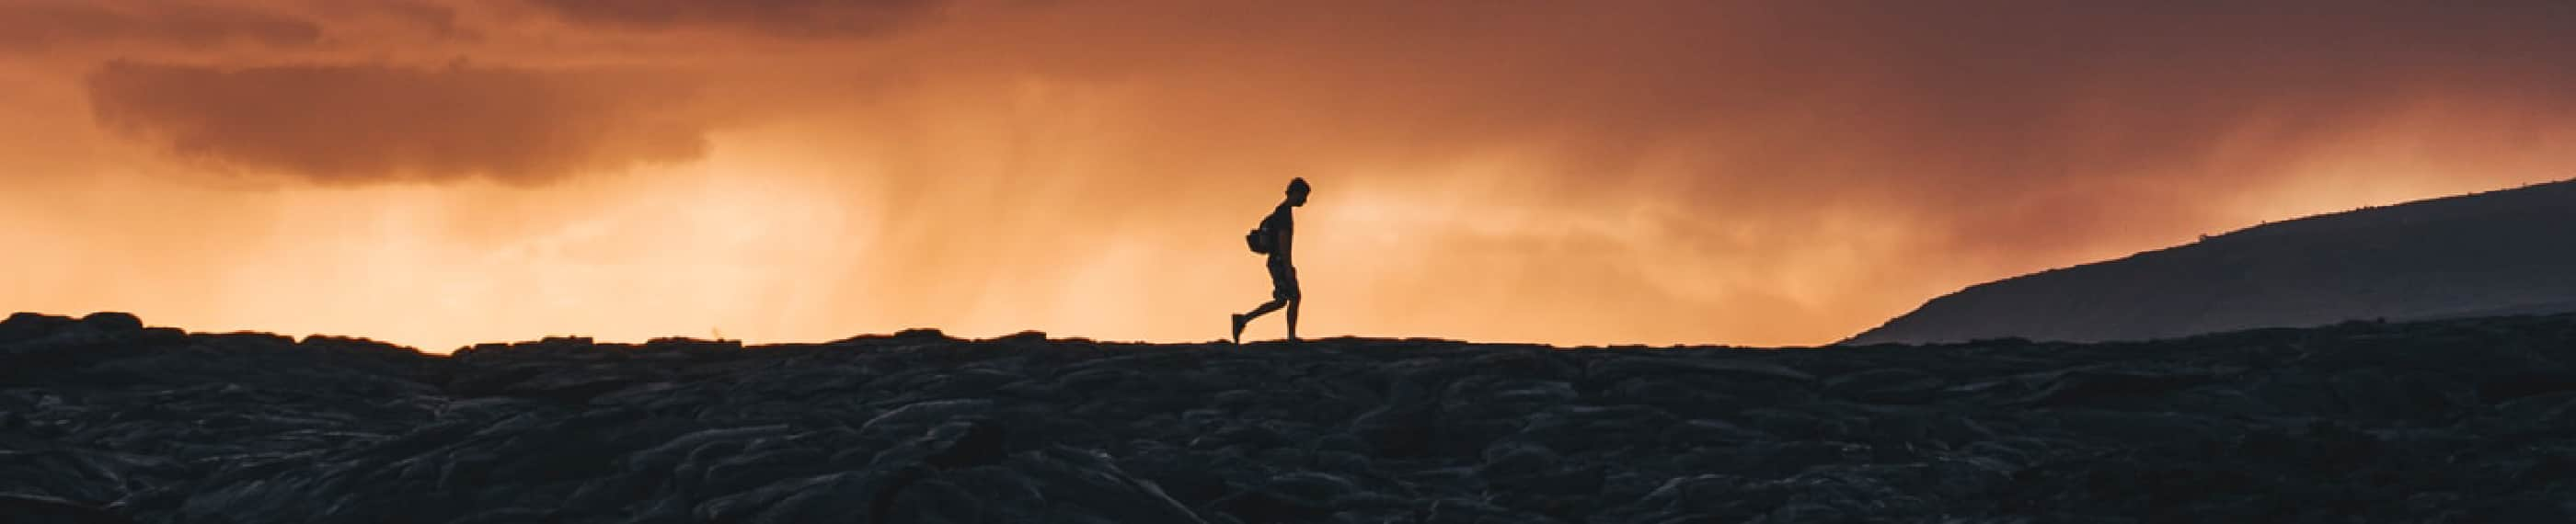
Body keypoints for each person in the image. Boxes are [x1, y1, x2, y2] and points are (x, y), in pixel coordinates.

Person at [1234, 177, 1310, 343]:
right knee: (1294, 297)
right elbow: (1284, 242)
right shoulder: (1283, 214)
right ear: (1295, 193)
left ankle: (1243, 320)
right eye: (1303, 196)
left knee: (1282, 300)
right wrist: (1288, 266)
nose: (1305, 201)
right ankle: (1291, 337)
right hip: (1279, 262)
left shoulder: (1280, 212)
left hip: (1276, 261)